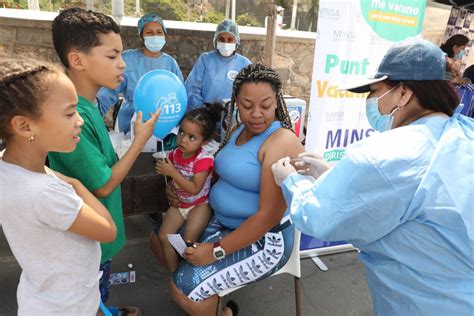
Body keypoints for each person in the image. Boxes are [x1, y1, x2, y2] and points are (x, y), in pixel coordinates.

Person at [272, 38, 474, 315]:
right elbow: (409, 198)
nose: (370, 102)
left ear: (403, 93)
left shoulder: (388, 154)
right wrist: (331, 176)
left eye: (374, 91)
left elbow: (318, 216)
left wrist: (289, 180)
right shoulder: (463, 132)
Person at [150, 63, 304, 315]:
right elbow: (218, 174)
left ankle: (205, 302)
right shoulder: (239, 129)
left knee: (183, 288)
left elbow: (268, 216)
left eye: (265, 105)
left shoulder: (280, 141)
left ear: (276, 101)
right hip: (221, 220)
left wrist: (215, 251)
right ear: (236, 102)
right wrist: (182, 190)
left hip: (265, 241)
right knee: (159, 240)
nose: (256, 114)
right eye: (246, 105)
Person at [48, 8, 160, 315]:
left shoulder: (88, 103)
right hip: (86, 247)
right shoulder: (71, 117)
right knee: (86, 300)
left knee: (97, 297)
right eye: (112, 56)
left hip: (97, 242)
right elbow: (104, 184)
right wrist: (140, 140)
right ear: (78, 60)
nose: (122, 63)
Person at [0, 56, 117, 314]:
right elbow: (108, 230)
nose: (80, 121)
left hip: (42, 296)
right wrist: (76, 184)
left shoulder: (6, 167)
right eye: (69, 112)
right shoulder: (46, 193)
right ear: (24, 125)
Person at [155, 103, 223, 273]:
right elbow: (170, 165)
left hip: (199, 205)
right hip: (181, 204)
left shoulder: (203, 160)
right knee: (164, 236)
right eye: (182, 132)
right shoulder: (176, 153)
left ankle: (188, 273)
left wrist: (172, 173)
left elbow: (195, 189)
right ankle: (175, 274)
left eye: (192, 137)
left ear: (204, 141)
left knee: (188, 243)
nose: (183, 139)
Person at [97, 13, 183, 135]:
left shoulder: (170, 63)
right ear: (141, 36)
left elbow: (179, 96)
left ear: (164, 35)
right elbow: (108, 92)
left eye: (159, 32)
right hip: (131, 122)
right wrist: (93, 116)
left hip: (164, 122)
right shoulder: (128, 59)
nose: (155, 36)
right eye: (149, 32)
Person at [185, 19, 252, 111]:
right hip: (206, 115)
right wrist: (201, 112)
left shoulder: (245, 64)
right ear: (216, 40)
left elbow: (250, 94)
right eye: (221, 39)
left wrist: (235, 115)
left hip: (233, 118)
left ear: (236, 41)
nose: (226, 43)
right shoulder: (205, 60)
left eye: (230, 39)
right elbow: (192, 88)